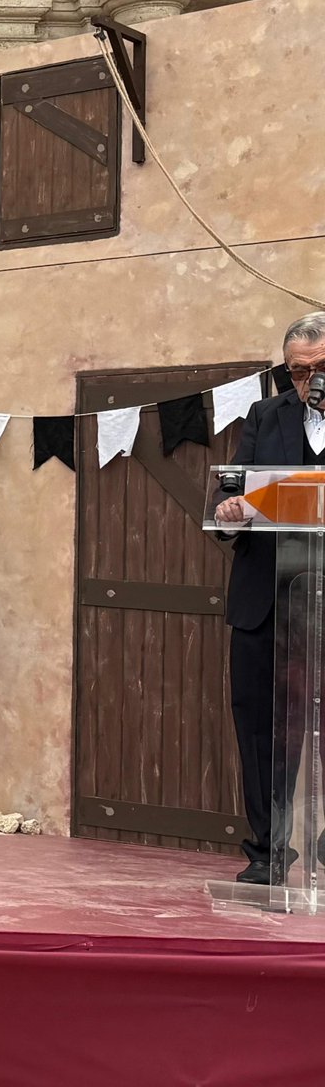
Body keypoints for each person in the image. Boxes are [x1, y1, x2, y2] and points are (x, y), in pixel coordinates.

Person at [214, 311, 325, 884]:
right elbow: (229, 491)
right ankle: (268, 851)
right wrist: (228, 510)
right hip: (267, 600)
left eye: (318, 369)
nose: (307, 381)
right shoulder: (264, 415)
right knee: (260, 727)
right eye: (298, 371)